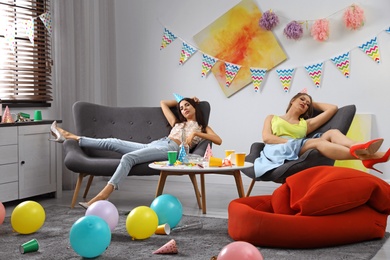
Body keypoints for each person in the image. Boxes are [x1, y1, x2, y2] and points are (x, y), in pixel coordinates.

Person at [50, 96, 222, 208]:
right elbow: (163, 103)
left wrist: (196, 133)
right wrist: (185, 99)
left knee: (128, 157)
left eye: (187, 105)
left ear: (195, 107)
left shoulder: (202, 127)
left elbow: (218, 140)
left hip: (170, 149)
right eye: (182, 107)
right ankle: (70, 137)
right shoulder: (176, 123)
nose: (184, 109)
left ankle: (104, 195)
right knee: (113, 142)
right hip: (158, 143)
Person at [254, 92, 390, 178]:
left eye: (307, 104)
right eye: (301, 99)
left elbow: (333, 108)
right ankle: (367, 157)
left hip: (298, 147)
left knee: (332, 133)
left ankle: (359, 147)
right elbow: (267, 137)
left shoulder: (306, 124)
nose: (305, 103)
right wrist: (290, 142)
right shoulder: (272, 117)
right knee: (317, 142)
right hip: (277, 149)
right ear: (292, 100)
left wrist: (312, 103)